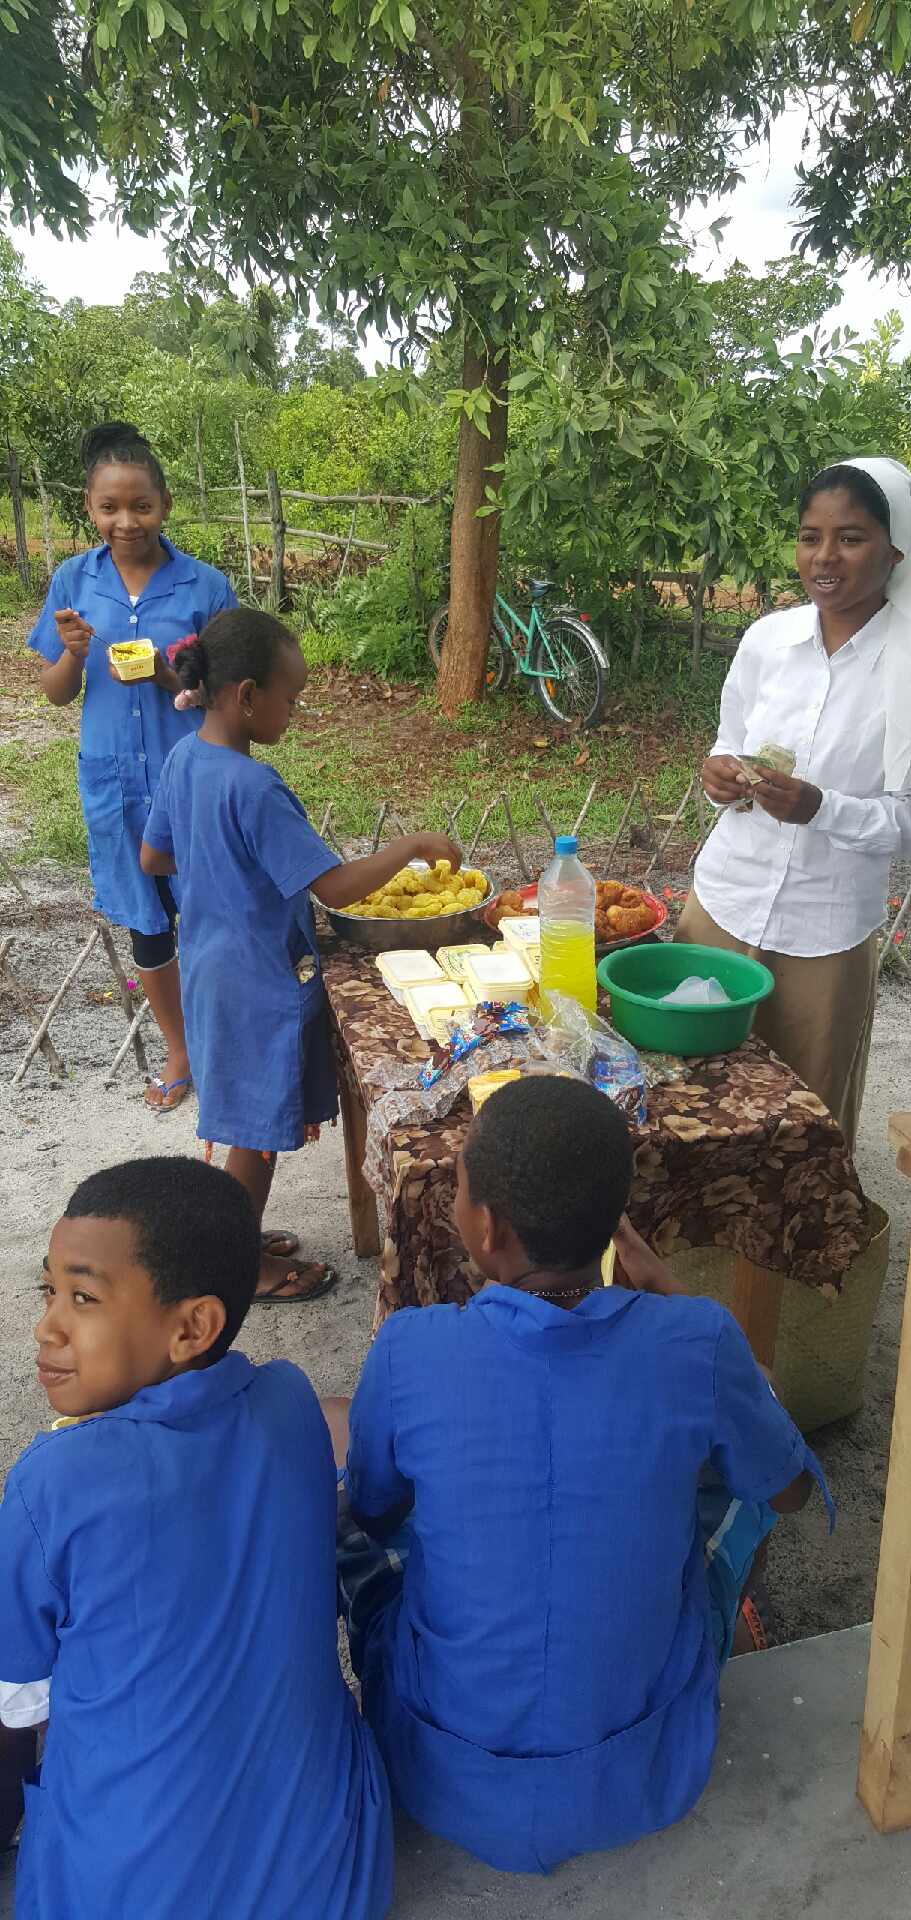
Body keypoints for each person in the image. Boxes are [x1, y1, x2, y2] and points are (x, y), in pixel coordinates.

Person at [334, 1075, 832, 1875]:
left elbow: (375, 1506)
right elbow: (791, 1490)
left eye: (458, 1192)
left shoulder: (411, 1349)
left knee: (354, 1530)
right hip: (643, 1766)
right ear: (612, 1225)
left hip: (439, 1768)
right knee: (746, 1452)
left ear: (486, 1229)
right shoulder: (696, 1341)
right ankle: (721, 1623)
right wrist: (678, 1302)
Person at [0, 1156, 393, 1920]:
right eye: (49, 1290)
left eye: (82, 1297)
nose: (47, 1325)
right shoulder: (288, 1401)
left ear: (193, 1327)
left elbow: (17, 1700)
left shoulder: (53, 1479)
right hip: (335, 1884)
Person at [140, 607, 461, 1303]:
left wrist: (216, 863)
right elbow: (337, 887)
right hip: (259, 978)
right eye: (291, 698)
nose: (296, 711)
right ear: (247, 694)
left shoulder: (185, 758)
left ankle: (237, 1234)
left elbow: (153, 852)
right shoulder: (253, 787)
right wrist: (410, 846)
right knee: (256, 1135)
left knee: (243, 1122)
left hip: (209, 967)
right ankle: (241, 1268)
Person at [681, 457, 911, 1148]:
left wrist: (824, 809)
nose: (824, 557)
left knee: (801, 1123)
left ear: (895, 551)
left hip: (825, 932)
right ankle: (685, 1254)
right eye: (809, 536)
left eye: (850, 538)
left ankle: (780, 1259)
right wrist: (719, 777)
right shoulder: (767, 643)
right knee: (687, 1093)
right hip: (722, 904)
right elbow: (730, 738)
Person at [28, 423, 238, 1115]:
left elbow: (231, 692)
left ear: (165, 504)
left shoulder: (206, 587)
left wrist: (161, 672)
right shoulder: (71, 581)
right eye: (109, 508)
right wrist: (72, 653)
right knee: (147, 922)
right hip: (116, 780)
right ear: (89, 508)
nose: (126, 521)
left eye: (140, 506)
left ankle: (225, 1045)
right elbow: (59, 694)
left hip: (194, 778)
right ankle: (181, 1051)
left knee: (211, 913)